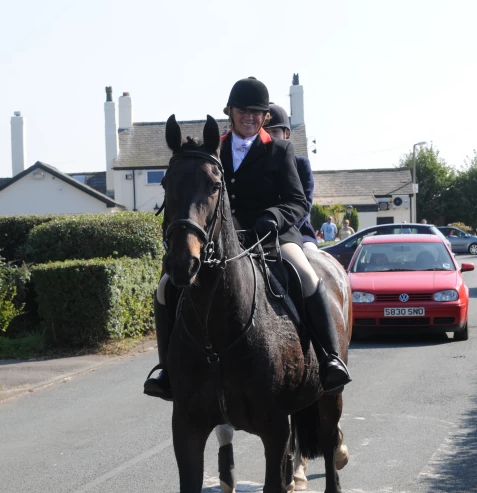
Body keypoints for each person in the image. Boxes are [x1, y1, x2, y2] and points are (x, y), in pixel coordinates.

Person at [144, 77, 351, 400]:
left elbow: (297, 201)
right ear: (231, 112)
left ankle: (329, 359)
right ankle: (166, 369)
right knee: (165, 287)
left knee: (307, 276)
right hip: (222, 240)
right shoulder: (215, 150)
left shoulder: (280, 150)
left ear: (265, 117)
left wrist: (274, 217)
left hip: (274, 235)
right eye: (244, 111)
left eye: (257, 112)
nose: (250, 117)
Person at [264, 102, 318, 249]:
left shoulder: (301, 163)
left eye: (275, 132)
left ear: (286, 133)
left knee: (311, 259)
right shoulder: (256, 164)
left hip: (298, 229)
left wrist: (284, 228)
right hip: (262, 231)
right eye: (265, 132)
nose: (271, 137)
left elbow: (305, 204)